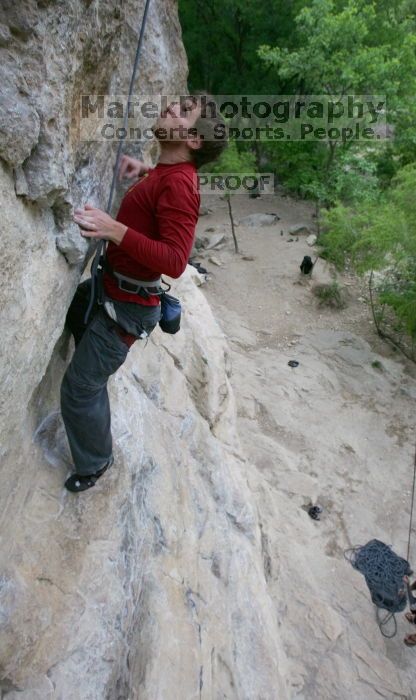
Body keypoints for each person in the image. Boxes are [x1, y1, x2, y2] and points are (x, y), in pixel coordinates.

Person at [60, 95, 227, 492]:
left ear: (194, 141)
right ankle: (95, 371)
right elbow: (165, 187)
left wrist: (113, 229)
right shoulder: (168, 173)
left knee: (77, 390)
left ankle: (95, 462)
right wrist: (146, 171)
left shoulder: (181, 185)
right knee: (76, 311)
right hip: (115, 291)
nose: (170, 106)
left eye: (183, 112)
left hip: (127, 307)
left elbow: (174, 259)